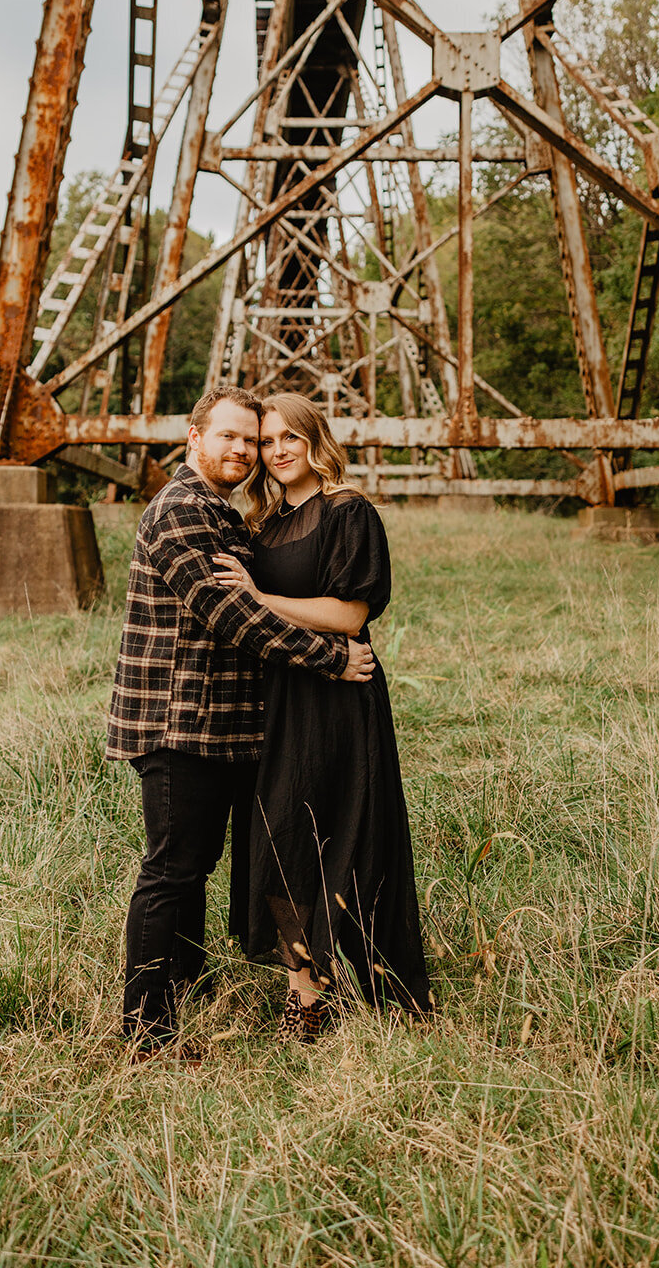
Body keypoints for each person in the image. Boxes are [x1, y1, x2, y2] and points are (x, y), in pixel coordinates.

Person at [106, 385, 375, 1057]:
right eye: (229, 436)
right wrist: (331, 658)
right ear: (193, 436)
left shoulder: (225, 513)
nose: (244, 450)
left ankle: (188, 986)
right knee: (172, 870)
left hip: (229, 727)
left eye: (252, 440)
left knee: (203, 867)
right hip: (179, 724)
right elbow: (231, 615)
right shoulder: (181, 513)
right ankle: (145, 1027)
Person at [216, 391, 430, 1041]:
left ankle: (380, 985)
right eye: (265, 441)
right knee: (281, 839)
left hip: (338, 697)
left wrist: (258, 595)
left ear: (315, 442)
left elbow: (350, 616)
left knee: (347, 832)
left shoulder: (348, 513)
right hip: (279, 698)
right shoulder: (262, 523)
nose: (276, 451)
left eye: (290, 438)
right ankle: (306, 995)